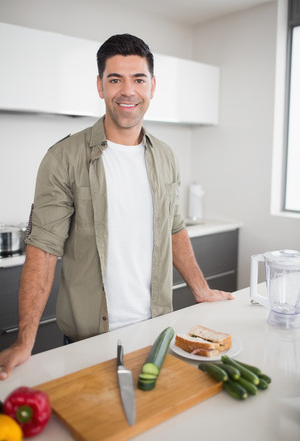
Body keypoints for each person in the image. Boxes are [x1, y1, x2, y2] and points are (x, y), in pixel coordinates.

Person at [0, 34, 233, 380]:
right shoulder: (64, 157)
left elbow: (175, 228)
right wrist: (26, 340)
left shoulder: (166, 156)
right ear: (100, 86)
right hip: (86, 341)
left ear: (152, 86)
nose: (128, 90)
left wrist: (201, 289)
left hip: (156, 332)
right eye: (115, 79)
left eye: (138, 79)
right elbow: (43, 250)